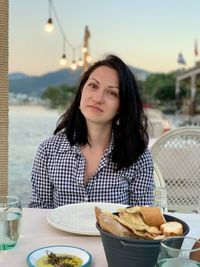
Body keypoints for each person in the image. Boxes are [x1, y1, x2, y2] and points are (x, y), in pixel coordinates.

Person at [29, 54, 154, 209]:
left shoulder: (137, 156)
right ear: (82, 90)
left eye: (112, 93)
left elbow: (143, 218)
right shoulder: (48, 151)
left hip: (113, 234)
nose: (98, 98)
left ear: (121, 106)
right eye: (93, 86)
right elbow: (39, 209)